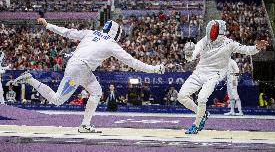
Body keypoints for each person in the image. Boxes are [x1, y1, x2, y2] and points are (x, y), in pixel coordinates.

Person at [14, 18, 165, 133]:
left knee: (97, 91)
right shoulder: (111, 44)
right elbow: (132, 62)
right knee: (57, 100)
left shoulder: (91, 33)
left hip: (81, 68)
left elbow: (67, 32)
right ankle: (30, 79)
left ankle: (85, 125)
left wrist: (48, 25)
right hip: (78, 70)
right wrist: (154, 69)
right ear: (115, 33)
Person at [178, 20, 269, 134]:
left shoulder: (229, 43)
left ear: (219, 32)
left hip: (214, 75)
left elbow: (246, 50)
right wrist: (188, 53)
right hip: (199, 72)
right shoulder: (204, 40)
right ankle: (202, 114)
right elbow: (191, 58)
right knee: (181, 96)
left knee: (201, 98)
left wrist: (257, 47)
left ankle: (196, 125)